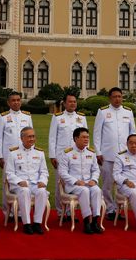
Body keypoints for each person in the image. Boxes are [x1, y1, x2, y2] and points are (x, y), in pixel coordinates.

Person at [93, 87, 136, 220]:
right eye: (115, 97)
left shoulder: (128, 112)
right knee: (107, 184)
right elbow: (97, 133)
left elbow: (133, 131)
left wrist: (134, 148)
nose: (117, 99)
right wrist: (98, 152)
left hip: (124, 155)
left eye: (119, 96)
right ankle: (110, 209)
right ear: (110, 98)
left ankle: (120, 209)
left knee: (123, 183)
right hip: (107, 154)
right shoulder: (103, 111)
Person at [48, 92, 87, 220]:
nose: (72, 104)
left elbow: (86, 137)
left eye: (74, 101)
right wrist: (52, 155)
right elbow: (52, 138)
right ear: (64, 103)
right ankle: (60, 212)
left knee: (75, 182)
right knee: (61, 183)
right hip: (62, 156)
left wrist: (87, 154)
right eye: (70, 101)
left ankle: (71, 212)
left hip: (77, 156)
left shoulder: (81, 118)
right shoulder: (58, 117)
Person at [58, 127, 103, 234]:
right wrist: (76, 181)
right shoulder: (67, 153)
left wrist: (94, 180)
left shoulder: (91, 153)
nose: (86, 139)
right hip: (73, 185)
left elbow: (96, 169)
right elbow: (62, 172)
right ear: (76, 138)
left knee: (97, 190)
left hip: (88, 183)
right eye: (83, 137)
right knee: (84, 191)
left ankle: (95, 222)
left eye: (87, 137)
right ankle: (87, 222)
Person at [5, 127, 49, 235]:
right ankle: (27, 223)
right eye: (29, 136)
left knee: (42, 191)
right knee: (25, 191)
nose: (32, 139)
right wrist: (19, 181)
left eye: (33, 136)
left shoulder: (39, 153)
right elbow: (9, 173)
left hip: (35, 183)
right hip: (19, 185)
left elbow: (44, 171)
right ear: (22, 138)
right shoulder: (13, 153)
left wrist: (43, 181)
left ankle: (37, 223)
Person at [0, 91, 33, 218]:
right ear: (8, 102)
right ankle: (8, 212)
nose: (16, 102)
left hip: (24, 154)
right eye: (13, 100)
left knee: (24, 180)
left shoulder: (27, 116)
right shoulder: (3, 117)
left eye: (18, 100)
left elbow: (31, 136)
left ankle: (22, 212)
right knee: (7, 183)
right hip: (8, 155)